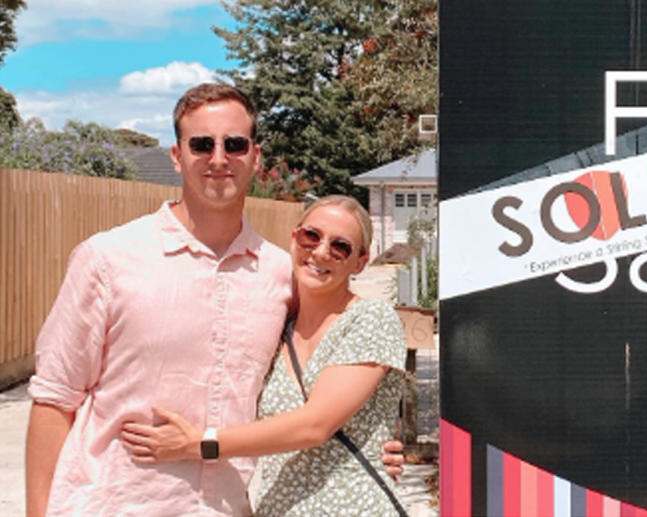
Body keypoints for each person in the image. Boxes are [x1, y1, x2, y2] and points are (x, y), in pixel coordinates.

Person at [24, 83, 402, 517]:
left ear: (255, 157)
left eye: (234, 144)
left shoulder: (280, 276)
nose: (219, 158)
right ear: (177, 155)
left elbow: (323, 378)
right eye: (202, 144)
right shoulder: (108, 259)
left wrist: (378, 443)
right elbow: (55, 399)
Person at [120, 196, 407, 516]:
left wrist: (200, 444)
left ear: (360, 262)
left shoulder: (370, 319)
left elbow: (316, 425)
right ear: (294, 237)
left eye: (340, 246)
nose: (321, 251)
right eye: (312, 236)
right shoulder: (276, 328)